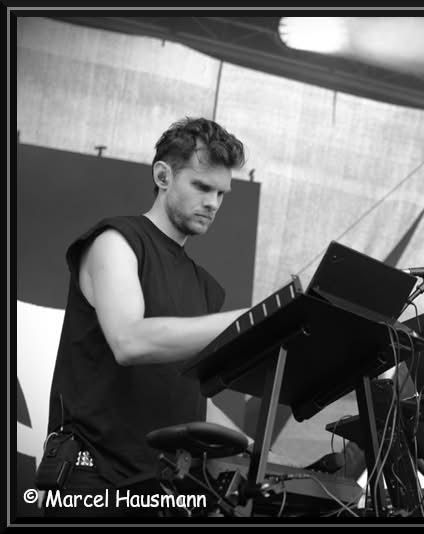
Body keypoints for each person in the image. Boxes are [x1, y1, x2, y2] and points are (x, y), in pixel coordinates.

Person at [39, 117, 363, 517]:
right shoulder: (116, 241)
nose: (213, 203)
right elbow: (129, 341)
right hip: (92, 482)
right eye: (202, 187)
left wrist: (271, 462)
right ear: (163, 176)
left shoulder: (206, 287)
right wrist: (259, 318)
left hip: (165, 491)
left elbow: (192, 398)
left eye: (221, 193)